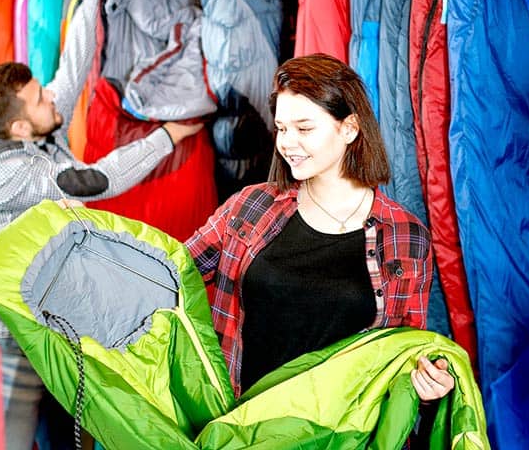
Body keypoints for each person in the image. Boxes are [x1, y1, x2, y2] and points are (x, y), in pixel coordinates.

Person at [0, 0, 202, 450]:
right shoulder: (9, 175)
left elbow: (72, 69)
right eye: (39, 99)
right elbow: (100, 179)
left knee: (73, 440)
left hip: (58, 323)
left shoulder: (31, 130)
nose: (52, 98)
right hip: (10, 335)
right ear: (21, 127)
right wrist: (167, 136)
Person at [185, 54, 454, 407]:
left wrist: (428, 385)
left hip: (340, 436)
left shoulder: (405, 235)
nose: (287, 143)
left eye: (304, 128)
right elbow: (174, 271)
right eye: (282, 128)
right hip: (242, 429)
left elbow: (402, 353)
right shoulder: (250, 207)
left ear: (349, 128)